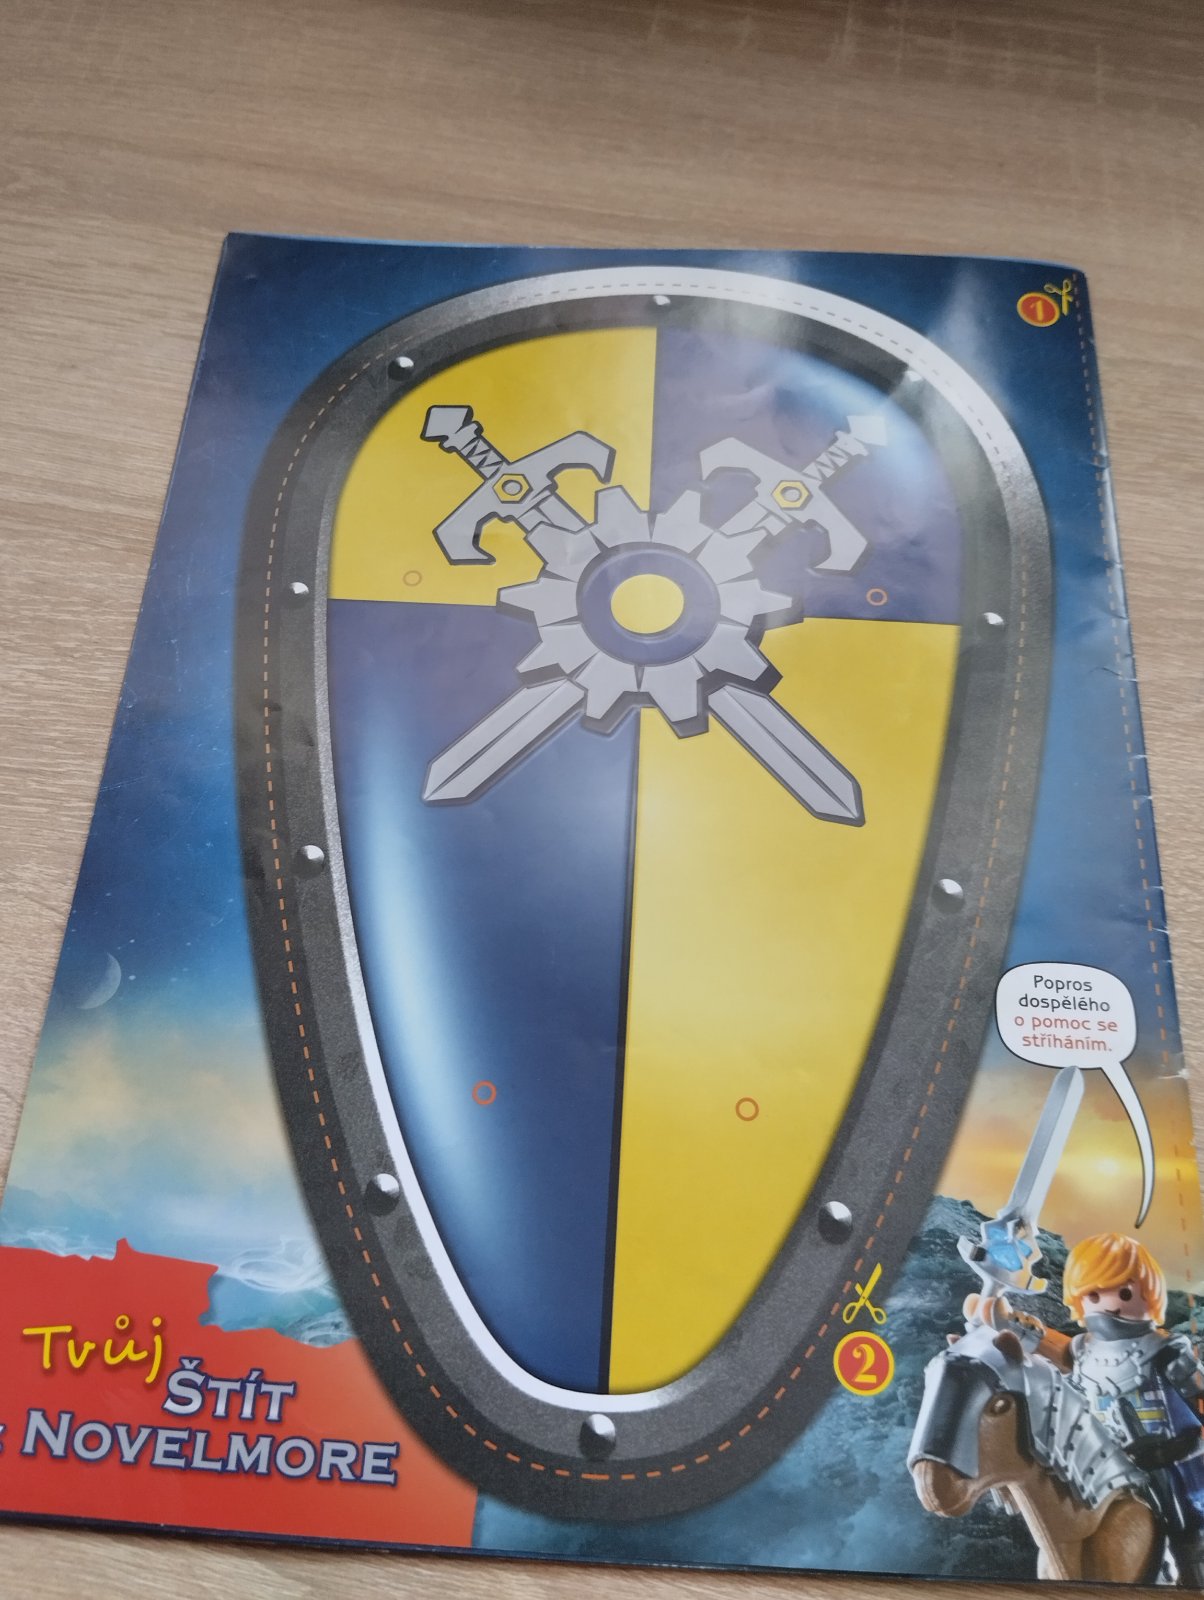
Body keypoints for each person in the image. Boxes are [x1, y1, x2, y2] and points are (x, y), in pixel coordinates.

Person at [969, 1232, 1204, 1584]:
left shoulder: (1169, 1352)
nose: (1110, 1304)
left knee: (1189, 1527)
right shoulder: (1084, 1351)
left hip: (1172, 1465)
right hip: (1105, 1464)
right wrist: (1003, 1318)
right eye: (1094, 1295)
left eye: (1125, 1293)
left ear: (1149, 1292)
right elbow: (1045, 1342)